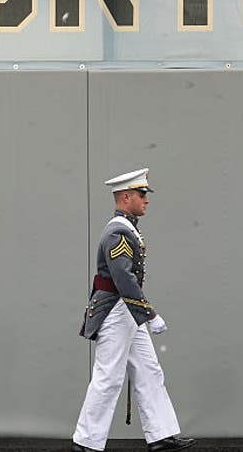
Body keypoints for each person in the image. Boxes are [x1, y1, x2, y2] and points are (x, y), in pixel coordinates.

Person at [72, 168, 195, 452]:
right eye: (142, 194)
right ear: (125, 197)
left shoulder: (127, 229)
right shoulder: (118, 231)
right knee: (108, 376)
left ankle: (161, 434)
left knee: (149, 369)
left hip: (125, 310)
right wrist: (149, 313)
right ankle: (86, 441)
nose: (146, 199)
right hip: (116, 310)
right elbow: (123, 278)